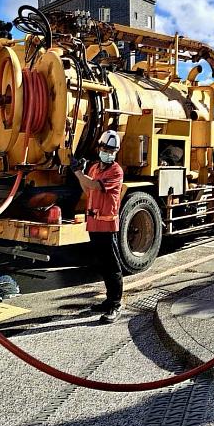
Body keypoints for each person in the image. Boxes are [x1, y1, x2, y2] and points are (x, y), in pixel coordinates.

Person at [70, 130, 125, 323]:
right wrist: (81, 174)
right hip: (94, 224)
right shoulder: (95, 168)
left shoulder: (115, 171)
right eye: (106, 149)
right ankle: (109, 300)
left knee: (112, 265)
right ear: (99, 148)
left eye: (113, 150)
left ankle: (116, 304)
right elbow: (87, 188)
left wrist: (78, 172)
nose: (109, 153)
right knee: (102, 264)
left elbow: (95, 186)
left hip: (107, 226)